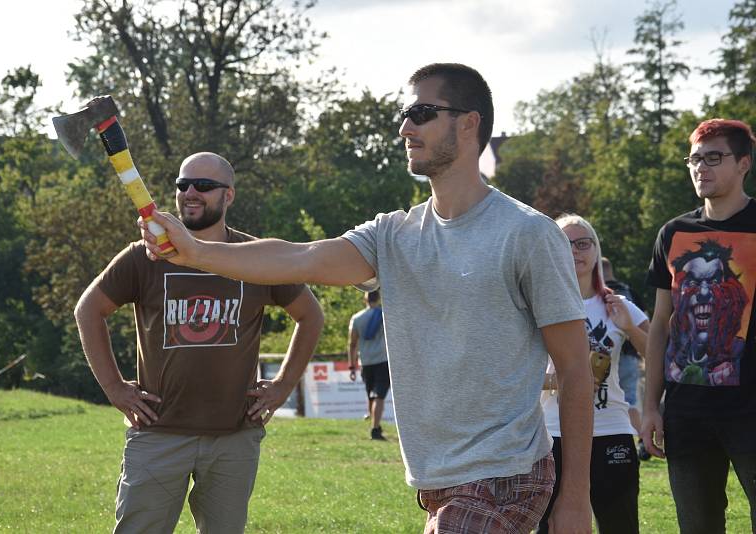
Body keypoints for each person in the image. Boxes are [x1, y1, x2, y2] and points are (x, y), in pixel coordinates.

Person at [141, 63, 594, 534]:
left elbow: (575, 369)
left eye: (422, 112)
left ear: (468, 122)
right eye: (405, 113)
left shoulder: (527, 234)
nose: (405, 127)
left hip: (506, 476)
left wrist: (576, 500)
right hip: (436, 482)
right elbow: (301, 258)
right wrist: (197, 251)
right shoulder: (392, 234)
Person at [73, 152, 324, 534]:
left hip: (234, 436)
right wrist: (114, 388)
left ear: (229, 197)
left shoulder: (255, 258)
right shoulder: (146, 256)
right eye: (182, 184)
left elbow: (311, 316)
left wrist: (283, 386)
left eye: (204, 186)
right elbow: (88, 310)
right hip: (158, 432)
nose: (190, 192)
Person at [641, 118, 756, 533]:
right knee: (698, 526)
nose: (700, 168)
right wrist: (651, 406)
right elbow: (659, 325)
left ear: (743, 163)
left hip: (751, 410)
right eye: (694, 159)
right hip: (686, 412)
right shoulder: (674, 233)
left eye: (713, 157)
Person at [538, 215, 650, 534]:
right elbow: (514, 373)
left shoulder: (617, 305)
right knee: (554, 527)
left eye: (583, 243)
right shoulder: (535, 307)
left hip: (611, 430)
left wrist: (629, 327)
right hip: (553, 433)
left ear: (595, 249)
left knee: (620, 525)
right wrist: (562, 381)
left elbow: (660, 354)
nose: (575, 251)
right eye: (565, 244)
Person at [601, 256, 651, 460]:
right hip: (629, 354)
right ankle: (640, 440)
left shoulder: (598, 293)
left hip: (602, 354)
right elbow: (646, 319)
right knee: (628, 400)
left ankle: (635, 438)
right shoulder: (628, 292)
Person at [348, 290, 390, 440]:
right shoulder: (385, 315)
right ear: (378, 298)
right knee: (379, 395)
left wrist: (351, 366)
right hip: (383, 360)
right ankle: (375, 429)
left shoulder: (356, 318)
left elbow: (352, 344)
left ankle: (375, 424)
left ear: (364, 299)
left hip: (365, 362)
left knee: (371, 395)